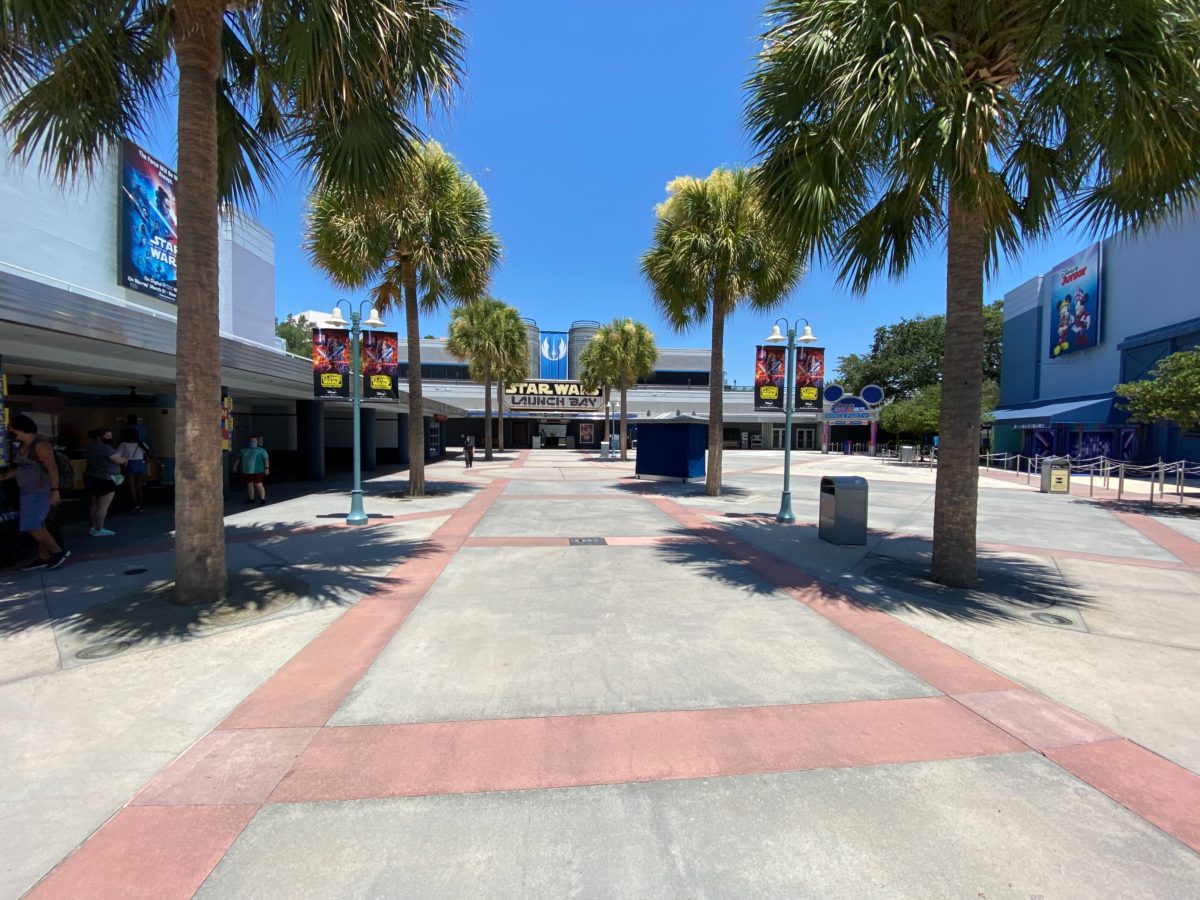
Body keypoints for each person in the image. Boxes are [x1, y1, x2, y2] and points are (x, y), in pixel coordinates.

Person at [0, 414, 70, 570]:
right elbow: (22, 469)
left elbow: (52, 468)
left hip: (40, 491)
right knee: (38, 524)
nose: (11, 432)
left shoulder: (40, 445)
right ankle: (44, 557)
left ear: (21, 428)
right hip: (27, 491)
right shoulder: (23, 446)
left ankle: (58, 552)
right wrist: (4, 476)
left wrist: (54, 490)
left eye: (12, 429)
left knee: (32, 525)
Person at [84, 428, 127, 536]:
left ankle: (94, 526)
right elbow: (118, 460)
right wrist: (125, 460)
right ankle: (99, 528)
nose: (110, 438)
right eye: (107, 436)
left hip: (91, 476)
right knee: (103, 505)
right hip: (106, 478)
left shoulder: (90, 446)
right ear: (100, 437)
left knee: (94, 503)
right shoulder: (106, 449)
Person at [116, 426, 152, 511]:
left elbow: (117, 454)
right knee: (139, 486)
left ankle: (134, 503)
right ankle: (141, 504)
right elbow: (147, 453)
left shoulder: (124, 444)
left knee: (131, 486)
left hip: (131, 464)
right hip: (141, 464)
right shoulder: (142, 444)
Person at [233, 436, 270, 504]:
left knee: (258, 484)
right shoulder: (243, 450)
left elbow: (266, 460)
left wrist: (267, 468)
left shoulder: (262, 450)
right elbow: (238, 459)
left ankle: (262, 499)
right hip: (246, 471)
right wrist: (235, 466)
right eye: (251, 441)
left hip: (258, 471)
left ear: (257, 442)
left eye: (254, 441)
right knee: (249, 485)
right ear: (249, 442)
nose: (253, 442)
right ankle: (251, 498)